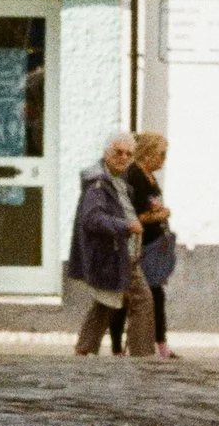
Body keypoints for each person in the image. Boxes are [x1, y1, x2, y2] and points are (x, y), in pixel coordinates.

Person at [69, 135, 153, 358]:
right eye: (118, 152)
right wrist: (126, 226)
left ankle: (84, 350)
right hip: (113, 254)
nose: (123, 157)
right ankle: (142, 356)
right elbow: (92, 219)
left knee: (107, 303)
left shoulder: (118, 181)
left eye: (128, 153)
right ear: (106, 153)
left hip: (121, 254)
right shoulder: (98, 184)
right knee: (142, 301)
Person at [126, 132, 179, 361]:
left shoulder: (150, 176)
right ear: (147, 154)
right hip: (141, 246)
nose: (164, 159)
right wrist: (159, 215)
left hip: (155, 245)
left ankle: (158, 344)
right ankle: (131, 347)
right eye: (161, 154)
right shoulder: (135, 176)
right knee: (142, 297)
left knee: (155, 295)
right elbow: (135, 216)